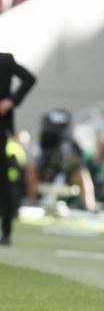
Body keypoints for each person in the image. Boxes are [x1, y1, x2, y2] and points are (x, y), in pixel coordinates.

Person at [0, 53, 36, 246]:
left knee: (3, 179)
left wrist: (11, 101)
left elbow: (29, 79)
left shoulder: (5, 61)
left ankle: (6, 230)